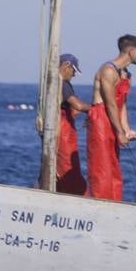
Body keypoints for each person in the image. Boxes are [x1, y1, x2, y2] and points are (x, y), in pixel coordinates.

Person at [87, 34, 136, 201]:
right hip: (100, 119)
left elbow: (122, 105)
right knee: (101, 167)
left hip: (113, 120)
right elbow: (110, 104)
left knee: (113, 166)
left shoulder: (127, 75)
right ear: (130, 51)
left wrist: (126, 130)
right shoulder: (108, 70)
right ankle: (100, 203)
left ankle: (114, 202)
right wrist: (119, 132)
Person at [54, 53, 91, 195]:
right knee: (67, 167)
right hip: (63, 132)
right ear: (66, 65)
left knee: (58, 169)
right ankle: (79, 195)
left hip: (62, 129)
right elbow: (78, 106)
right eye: (74, 70)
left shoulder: (56, 83)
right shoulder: (62, 84)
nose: (74, 74)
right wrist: (97, 110)